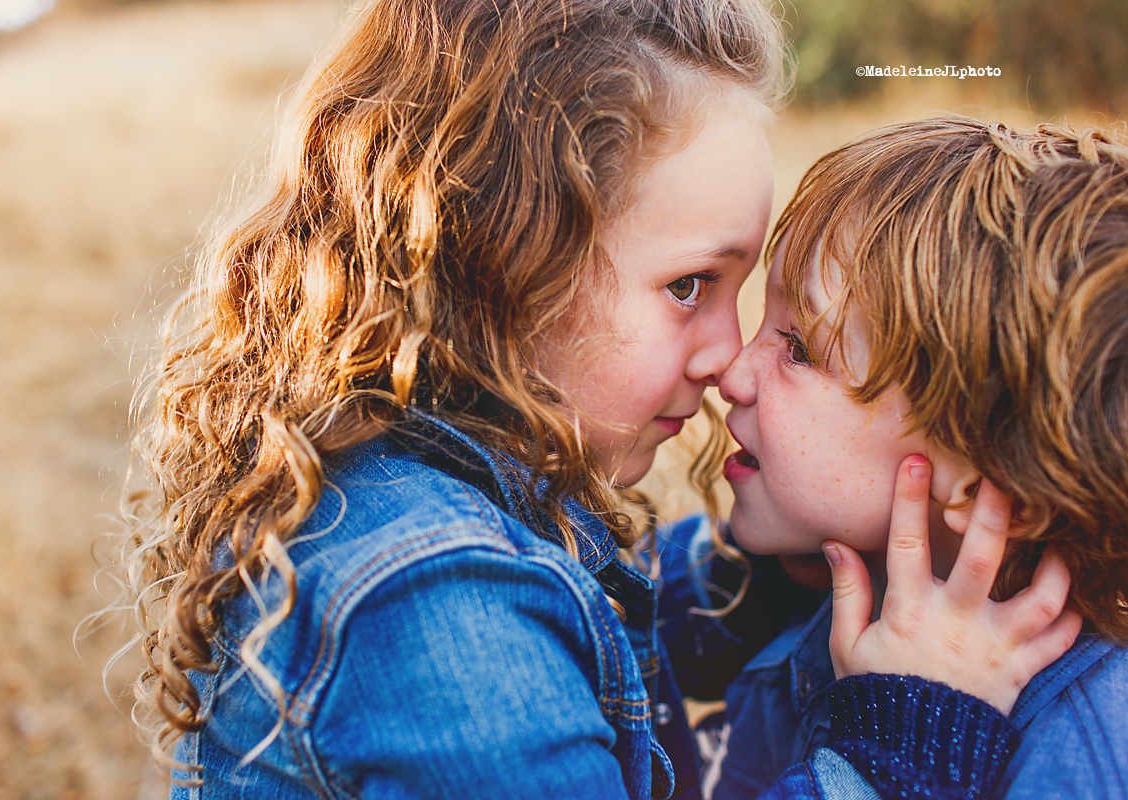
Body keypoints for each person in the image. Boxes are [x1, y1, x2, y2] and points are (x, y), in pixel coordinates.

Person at [113, 1, 1076, 796]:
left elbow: (631, 590)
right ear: (505, 263)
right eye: (691, 286)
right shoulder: (440, 604)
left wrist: (802, 560)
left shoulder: (446, 487)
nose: (727, 357)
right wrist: (898, 747)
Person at [689, 117, 1128, 799]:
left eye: (799, 349)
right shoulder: (808, 566)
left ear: (980, 484)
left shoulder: (1090, 760)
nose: (732, 374)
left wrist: (904, 746)